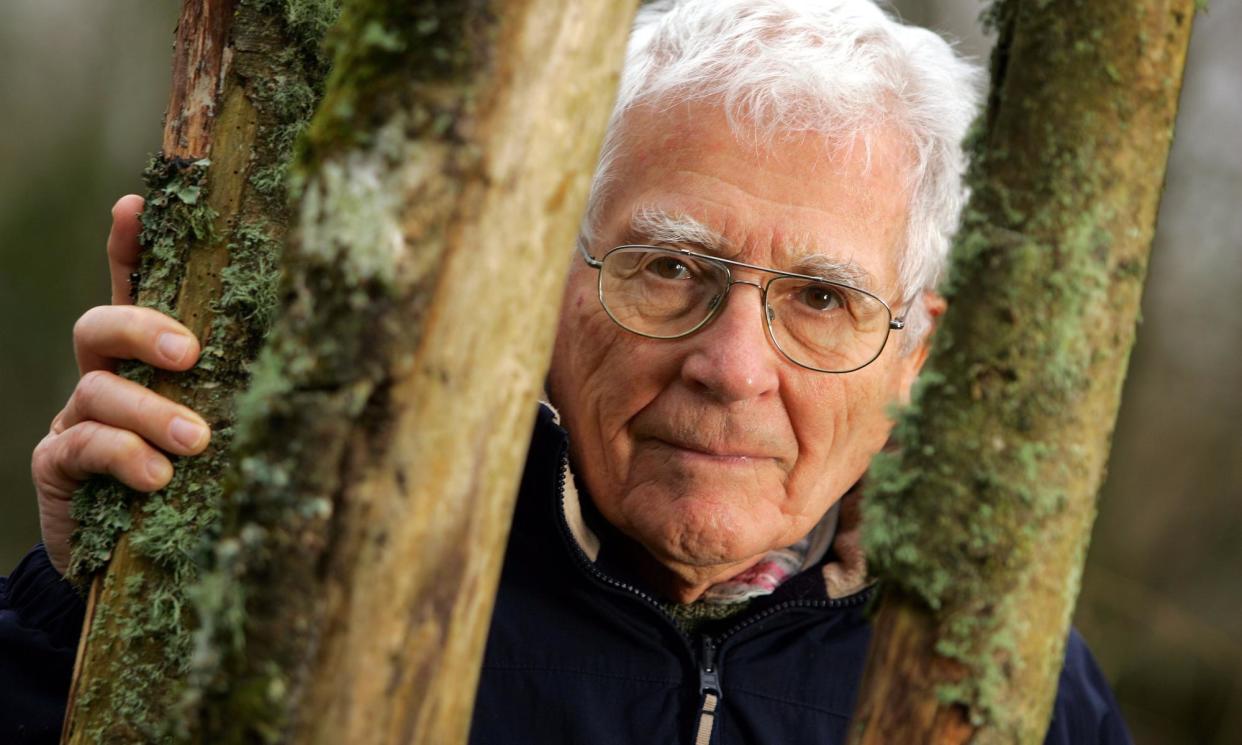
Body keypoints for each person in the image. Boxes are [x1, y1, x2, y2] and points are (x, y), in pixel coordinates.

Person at [2, 1, 1132, 742]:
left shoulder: (998, 668)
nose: (732, 366)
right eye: (668, 267)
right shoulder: (327, 547)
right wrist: (89, 601)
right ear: (547, 278)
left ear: (917, 350)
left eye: (823, 299)